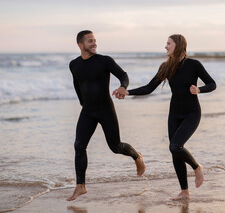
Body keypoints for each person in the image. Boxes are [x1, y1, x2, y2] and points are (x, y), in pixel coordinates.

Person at [113, 34, 216, 200]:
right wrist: (128, 92)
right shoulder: (166, 67)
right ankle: (184, 191)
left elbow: (212, 84)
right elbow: (149, 88)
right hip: (174, 114)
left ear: (179, 45)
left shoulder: (193, 65)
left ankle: (197, 168)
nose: (165, 46)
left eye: (169, 43)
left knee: (175, 146)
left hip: (191, 113)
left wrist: (199, 90)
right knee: (175, 152)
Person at [67, 30, 145, 201]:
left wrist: (123, 87)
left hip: (105, 109)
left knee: (115, 147)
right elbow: (77, 83)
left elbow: (123, 75)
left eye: (94, 40)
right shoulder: (74, 64)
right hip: (87, 110)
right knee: (79, 145)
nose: (94, 43)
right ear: (80, 45)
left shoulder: (104, 61)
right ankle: (81, 186)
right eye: (90, 41)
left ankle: (136, 156)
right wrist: (82, 103)